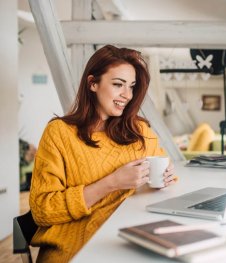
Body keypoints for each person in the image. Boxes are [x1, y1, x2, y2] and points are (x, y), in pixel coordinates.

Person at [29, 45, 177, 262]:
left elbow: (165, 172)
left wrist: (166, 177)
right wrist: (112, 182)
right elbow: (42, 210)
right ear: (93, 83)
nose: (127, 95)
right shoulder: (59, 133)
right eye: (118, 85)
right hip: (77, 249)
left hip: (128, 239)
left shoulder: (139, 130)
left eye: (132, 86)